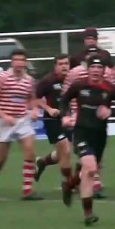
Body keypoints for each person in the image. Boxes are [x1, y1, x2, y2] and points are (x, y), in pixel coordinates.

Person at [60, 56, 115, 226]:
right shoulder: (79, 85)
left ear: (104, 71)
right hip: (81, 132)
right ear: (88, 69)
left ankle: (69, 184)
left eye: (99, 68)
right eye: (93, 67)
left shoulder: (110, 88)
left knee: (87, 171)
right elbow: (64, 100)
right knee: (91, 168)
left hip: (100, 135)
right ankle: (88, 214)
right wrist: (65, 115)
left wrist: (113, 112)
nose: (96, 71)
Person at [0, 49, 42, 201]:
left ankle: (27, 190)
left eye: (22, 60)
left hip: (22, 119)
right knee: (1, 159)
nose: (19, 63)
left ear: (25, 62)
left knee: (30, 150)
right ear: (12, 62)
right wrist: (4, 115)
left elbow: (32, 99)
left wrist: (35, 110)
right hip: (5, 122)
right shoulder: (2, 78)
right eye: (16, 60)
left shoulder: (29, 80)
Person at [34, 54, 72, 184]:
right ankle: (69, 181)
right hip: (53, 121)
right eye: (60, 64)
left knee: (62, 153)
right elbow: (36, 98)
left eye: (66, 63)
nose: (64, 66)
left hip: (68, 120)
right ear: (55, 66)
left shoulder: (72, 80)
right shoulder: (48, 81)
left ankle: (42, 162)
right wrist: (49, 109)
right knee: (65, 149)